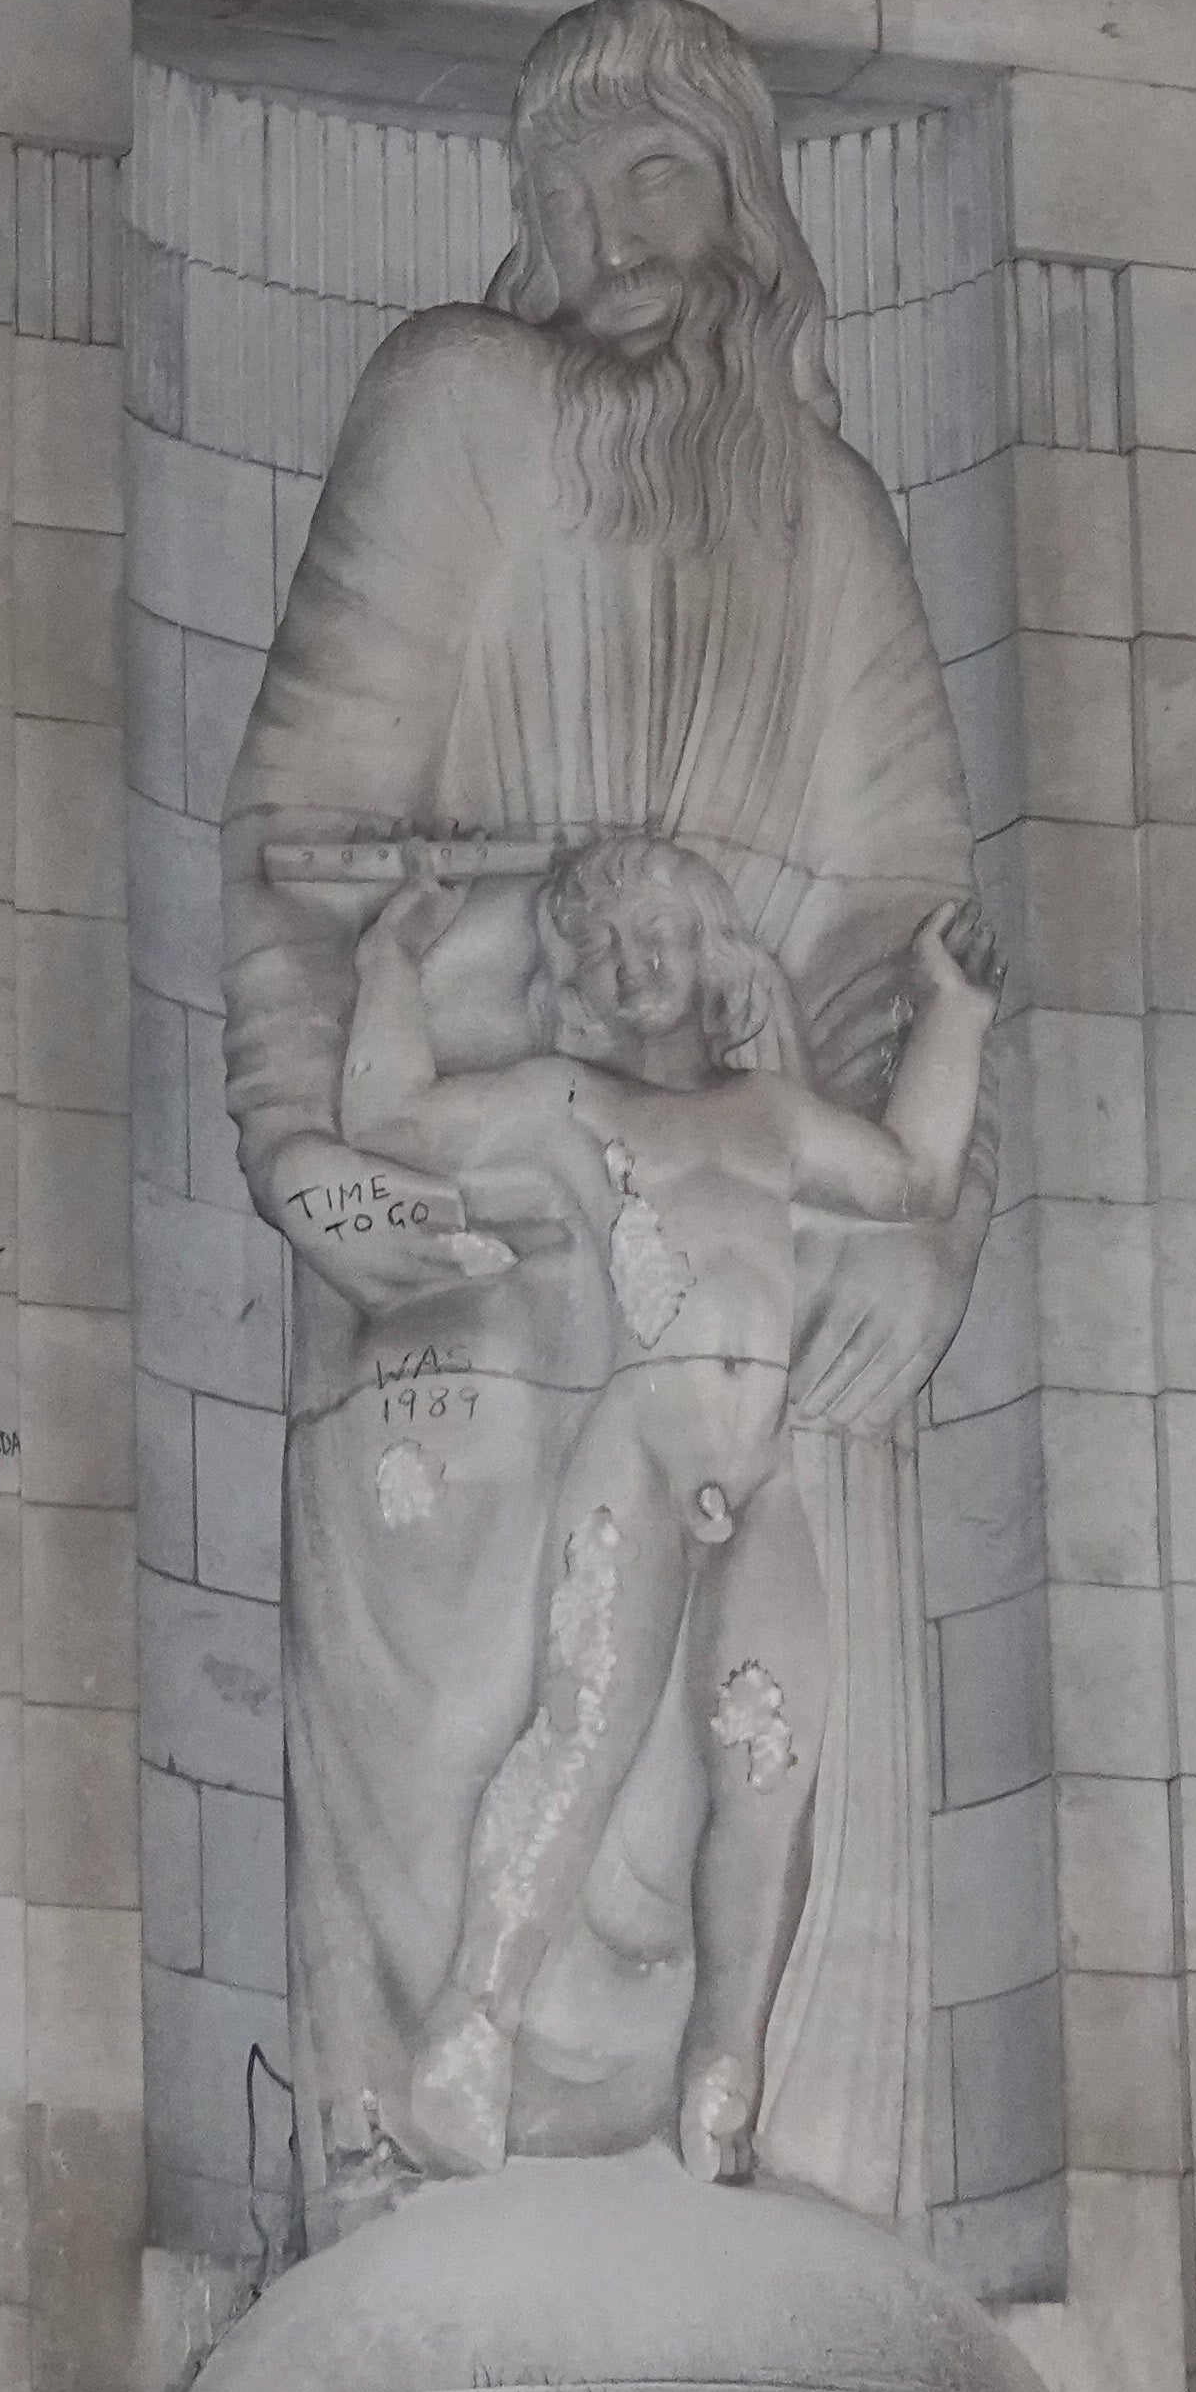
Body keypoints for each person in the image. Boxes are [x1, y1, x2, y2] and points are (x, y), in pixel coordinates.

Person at [223, 0, 987, 2225]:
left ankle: (738, 2132)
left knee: (750, 1754)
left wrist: (927, 1247)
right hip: (479, 1168)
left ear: (743, 202)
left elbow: (904, 932)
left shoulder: (832, 519)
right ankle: (438, 2147)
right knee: (508, 1719)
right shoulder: (456, 409)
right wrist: (305, 1145)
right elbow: (307, 821)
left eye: (652, 169)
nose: (603, 227)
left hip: (759, 1257)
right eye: (566, 190)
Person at [341, 841, 996, 2183]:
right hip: (641, 1445)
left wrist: (956, 1015)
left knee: (769, 1771)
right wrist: (387, 960)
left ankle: (727, 2072)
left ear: (708, 952)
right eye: (614, 949)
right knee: (581, 1739)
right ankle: (468, 2038)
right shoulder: (575, 1102)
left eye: (662, 939)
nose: (642, 967)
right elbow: (392, 1118)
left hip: (766, 1465)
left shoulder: (770, 1116)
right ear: (580, 975)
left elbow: (915, 1178)